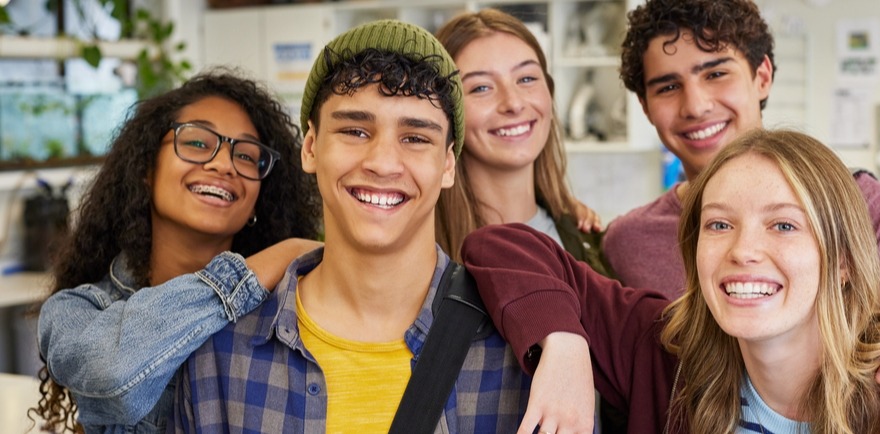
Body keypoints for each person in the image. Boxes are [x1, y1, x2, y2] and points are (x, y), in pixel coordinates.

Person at [601, 0, 880, 411]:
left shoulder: (860, 204)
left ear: (762, 77)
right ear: (646, 108)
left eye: (717, 73)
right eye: (667, 87)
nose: (696, 104)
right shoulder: (627, 240)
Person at [462, 129, 880, 433]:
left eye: (783, 225)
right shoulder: (662, 349)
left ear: (842, 261)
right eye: (719, 225)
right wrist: (563, 346)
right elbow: (503, 244)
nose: (743, 250)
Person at [170, 20, 532, 433]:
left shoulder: (520, 353)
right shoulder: (219, 354)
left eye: (415, 138)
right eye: (355, 130)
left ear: (448, 164)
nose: (381, 162)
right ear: (310, 147)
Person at [32, 70, 322, 433]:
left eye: (247, 156)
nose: (223, 164)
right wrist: (263, 267)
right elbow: (114, 377)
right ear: (146, 169)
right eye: (198, 143)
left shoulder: (287, 313)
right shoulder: (78, 311)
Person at [433, 9, 610, 276]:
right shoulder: (427, 258)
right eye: (481, 87)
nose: (513, 103)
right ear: (446, 112)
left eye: (526, 79)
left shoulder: (586, 237)